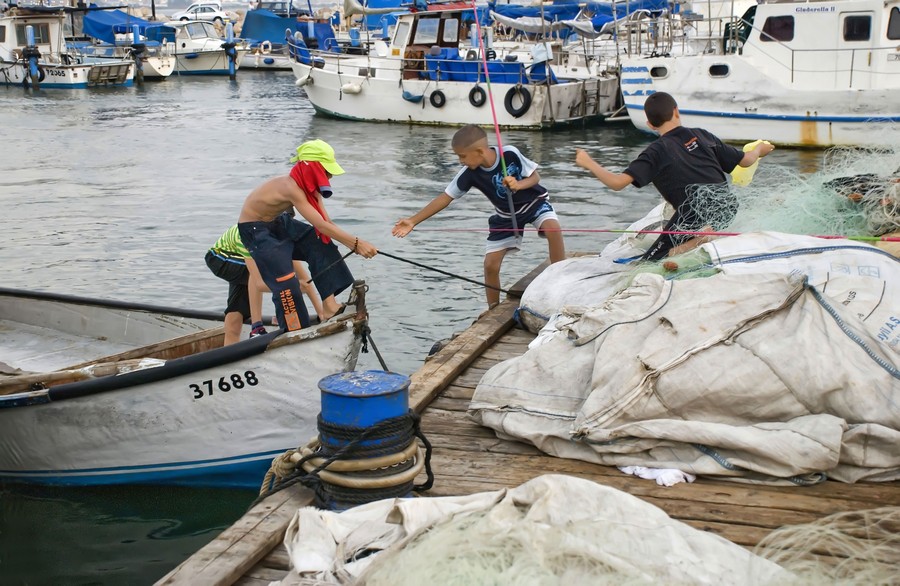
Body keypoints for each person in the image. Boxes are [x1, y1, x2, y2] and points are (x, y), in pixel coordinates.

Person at [575, 91, 775, 260]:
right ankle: (701, 238)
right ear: (676, 111)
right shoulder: (702, 135)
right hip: (727, 207)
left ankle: (699, 240)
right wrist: (759, 149)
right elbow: (746, 160)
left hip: (694, 213)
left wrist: (589, 162)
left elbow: (617, 183)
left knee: (652, 259)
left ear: (650, 124)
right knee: (682, 231)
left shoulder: (655, 152)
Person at [393, 124, 565, 308]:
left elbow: (535, 178)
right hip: (505, 215)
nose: (461, 161)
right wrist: (413, 220)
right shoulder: (469, 174)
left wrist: (518, 185)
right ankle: (492, 308)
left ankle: (561, 282)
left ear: (479, 151)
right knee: (490, 264)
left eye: (462, 156)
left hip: (534, 204)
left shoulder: (509, 153)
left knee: (553, 228)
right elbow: (445, 197)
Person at [238, 139, 378, 332]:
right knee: (287, 282)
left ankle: (329, 306)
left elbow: (326, 225)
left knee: (319, 241)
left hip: (278, 222)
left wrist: (356, 243)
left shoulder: (310, 188)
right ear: (313, 169)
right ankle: (295, 329)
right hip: (255, 230)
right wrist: (355, 244)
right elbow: (319, 223)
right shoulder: (290, 187)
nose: (329, 176)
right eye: (326, 171)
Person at [205, 225, 326, 345]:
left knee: (236, 317)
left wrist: (321, 312)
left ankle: (229, 354)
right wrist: (291, 286)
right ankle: (256, 328)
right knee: (264, 271)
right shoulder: (249, 238)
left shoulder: (284, 241)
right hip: (219, 258)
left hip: (241, 257)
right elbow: (258, 282)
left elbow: (305, 279)